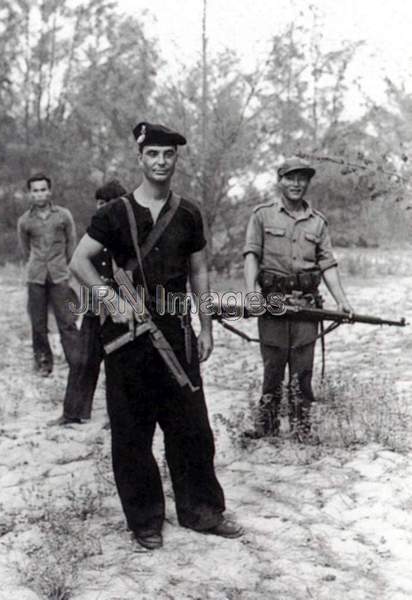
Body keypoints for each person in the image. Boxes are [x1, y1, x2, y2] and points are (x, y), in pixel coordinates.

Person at [69, 122, 243, 550]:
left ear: (176, 159)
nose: (161, 162)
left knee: (193, 429)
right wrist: (111, 301)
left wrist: (204, 325)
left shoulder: (188, 212)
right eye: (153, 155)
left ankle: (201, 511)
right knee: (132, 432)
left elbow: (199, 271)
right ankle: (145, 520)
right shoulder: (114, 213)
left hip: (175, 332)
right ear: (140, 158)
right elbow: (80, 261)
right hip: (127, 338)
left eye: (168, 155)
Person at [243, 157, 353, 441]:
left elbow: (327, 265)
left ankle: (302, 427)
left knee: (303, 369)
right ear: (280, 180)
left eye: (302, 178)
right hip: (273, 303)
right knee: (273, 366)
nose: (296, 184)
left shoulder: (318, 223)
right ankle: (266, 426)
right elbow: (251, 255)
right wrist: (252, 293)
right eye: (291, 178)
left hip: (306, 305)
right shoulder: (262, 215)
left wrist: (342, 301)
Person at [50, 179, 127, 426]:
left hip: (121, 308)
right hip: (95, 306)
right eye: (100, 203)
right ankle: (73, 412)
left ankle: (118, 416)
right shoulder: (94, 234)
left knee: (120, 364)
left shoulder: (130, 237)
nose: (103, 208)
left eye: (109, 203)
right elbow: (79, 267)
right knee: (83, 359)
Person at [17, 172, 79, 376]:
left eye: (43, 190)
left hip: (60, 275)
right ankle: (44, 363)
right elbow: (25, 250)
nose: (40, 194)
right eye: (35, 191)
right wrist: (34, 266)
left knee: (67, 321)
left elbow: (72, 243)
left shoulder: (63, 216)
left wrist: (65, 266)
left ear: (50, 191)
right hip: (35, 277)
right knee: (38, 323)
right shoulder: (25, 221)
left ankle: (77, 362)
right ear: (30, 194)